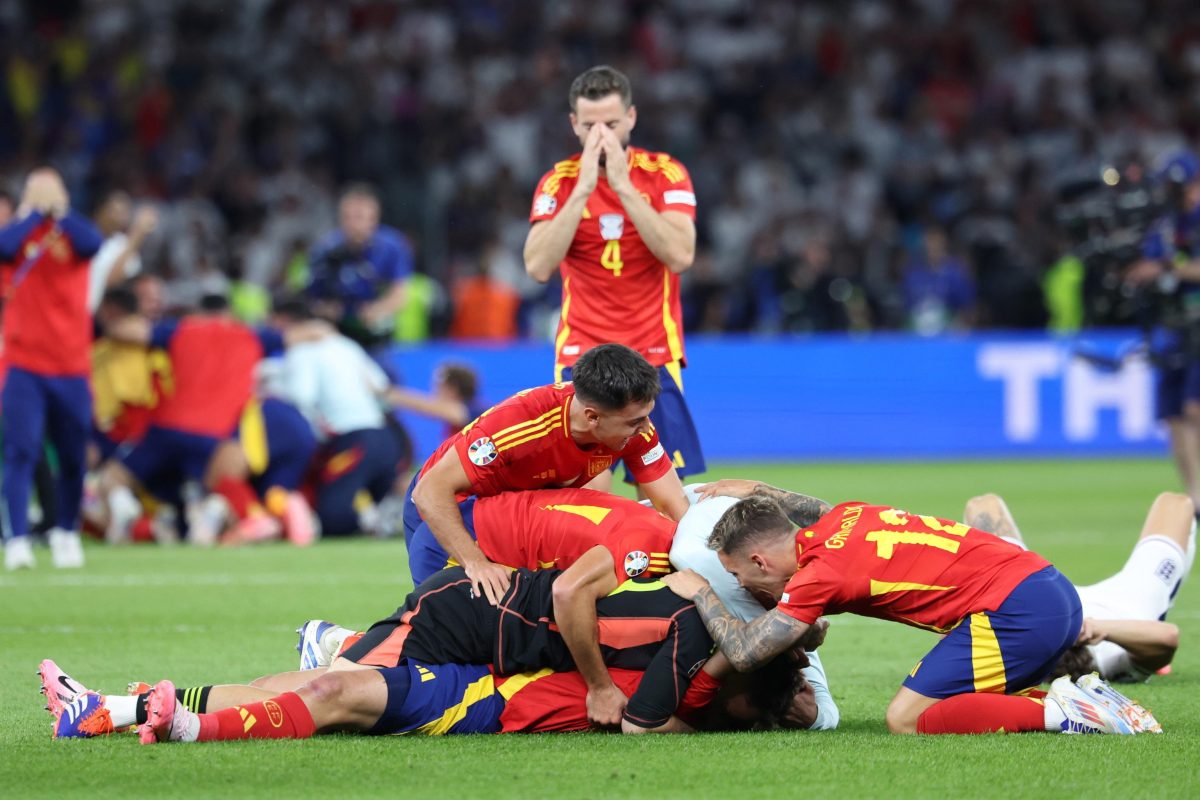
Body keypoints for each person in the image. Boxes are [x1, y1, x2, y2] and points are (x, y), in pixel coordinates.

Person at [661, 479, 1162, 735]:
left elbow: (746, 653)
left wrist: (701, 591)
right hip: (1047, 587)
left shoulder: (817, 576)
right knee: (952, 707)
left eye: (735, 574)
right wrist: (757, 490)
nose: (736, 583)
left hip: (1017, 612)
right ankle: (1078, 701)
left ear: (758, 560)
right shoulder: (847, 517)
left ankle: (1063, 712)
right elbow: (809, 507)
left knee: (906, 718)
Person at [523, 65, 705, 486]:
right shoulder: (558, 182)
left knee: (664, 502)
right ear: (574, 124)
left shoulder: (664, 173)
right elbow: (537, 266)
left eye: (611, 123)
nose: (601, 135)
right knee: (585, 498)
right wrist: (584, 188)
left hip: (653, 354)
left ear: (631, 117)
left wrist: (623, 187)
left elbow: (680, 255)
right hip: (582, 356)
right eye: (590, 126)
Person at [406, 343, 688, 605]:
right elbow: (429, 492)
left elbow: (674, 506)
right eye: (636, 421)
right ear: (592, 417)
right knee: (453, 626)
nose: (646, 428)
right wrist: (475, 562)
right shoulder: (522, 424)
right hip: (449, 514)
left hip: (515, 519)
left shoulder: (633, 430)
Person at [98, 294, 284, 545]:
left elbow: (126, 330)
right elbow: (304, 334)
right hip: (216, 434)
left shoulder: (181, 329)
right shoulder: (253, 336)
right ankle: (212, 513)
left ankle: (122, 503)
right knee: (221, 483)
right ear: (229, 313)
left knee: (115, 475)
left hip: (167, 426)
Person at [962, 491, 1193, 682]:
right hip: (1126, 606)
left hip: (1045, 601)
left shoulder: (1021, 634)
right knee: (1176, 504)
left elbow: (981, 505)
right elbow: (1168, 637)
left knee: (984, 504)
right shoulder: (1108, 660)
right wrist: (1096, 627)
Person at [670, 485, 839, 730]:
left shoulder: (792, 585)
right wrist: (702, 591)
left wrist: (818, 718)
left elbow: (815, 689)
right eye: (734, 575)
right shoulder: (719, 574)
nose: (740, 582)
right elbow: (742, 654)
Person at [0, 168, 102, 569]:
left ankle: (65, 531)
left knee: (73, 456)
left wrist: (58, 212)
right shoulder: (18, 237)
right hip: (25, 365)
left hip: (71, 367)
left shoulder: (74, 235)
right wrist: (32, 213)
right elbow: (4, 246)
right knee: (21, 450)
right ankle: (17, 539)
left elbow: (92, 243)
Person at [271, 300, 409, 537]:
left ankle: (373, 519)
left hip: (353, 441)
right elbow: (381, 388)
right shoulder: (347, 346)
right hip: (385, 437)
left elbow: (300, 398)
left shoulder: (302, 352)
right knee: (373, 492)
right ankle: (382, 514)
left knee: (332, 518)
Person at [1126, 151, 1200, 513]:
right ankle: (1193, 494)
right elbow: (1145, 265)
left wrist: (1164, 268)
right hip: (1172, 327)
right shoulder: (1165, 225)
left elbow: (1167, 266)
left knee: (1194, 408)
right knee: (1173, 414)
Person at [307, 183, 413, 348]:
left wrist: (377, 309)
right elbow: (309, 300)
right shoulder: (324, 249)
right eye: (347, 217)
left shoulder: (392, 246)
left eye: (359, 217)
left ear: (374, 218)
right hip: (335, 333)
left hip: (377, 332)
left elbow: (400, 294)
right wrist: (326, 309)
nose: (353, 225)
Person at [88, 190, 158, 311]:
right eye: (116, 211)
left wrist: (136, 236)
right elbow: (109, 281)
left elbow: (115, 284)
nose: (121, 217)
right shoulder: (82, 239)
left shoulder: (124, 244)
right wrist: (138, 233)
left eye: (125, 212)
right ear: (100, 211)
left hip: (104, 314)